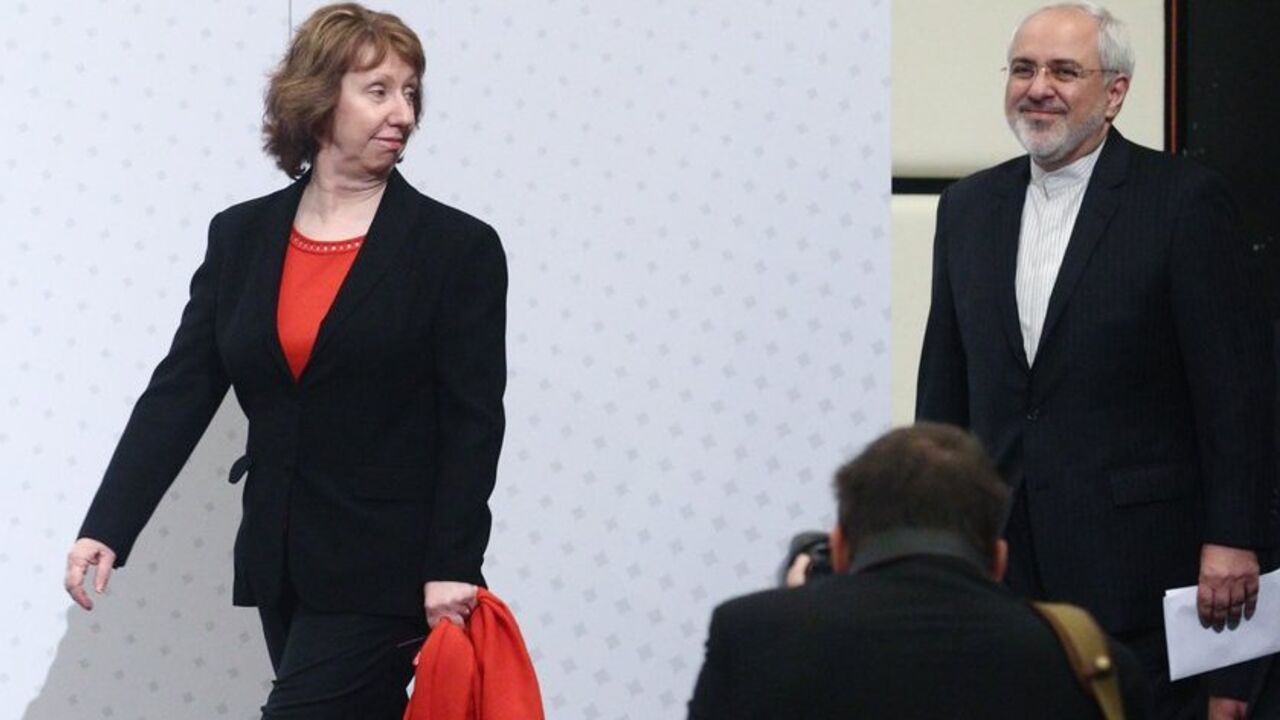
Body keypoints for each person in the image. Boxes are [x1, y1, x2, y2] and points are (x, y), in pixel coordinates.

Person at [61, 4, 507, 717]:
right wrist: (108, 524)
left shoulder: (456, 249)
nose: (404, 112)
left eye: (412, 91)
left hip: (387, 567)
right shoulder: (241, 236)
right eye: (380, 89)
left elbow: (474, 422)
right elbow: (182, 388)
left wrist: (454, 563)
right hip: (281, 558)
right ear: (320, 96)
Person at [915, 2, 1274, 717]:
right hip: (1003, 576)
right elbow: (943, 397)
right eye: (1023, 68)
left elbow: (1236, 394)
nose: (1037, 87)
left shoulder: (1182, 202)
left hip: (1143, 576)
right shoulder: (966, 208)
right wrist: (935, 544)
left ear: (1114, 93)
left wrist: (1235, 539)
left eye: (1063, 70)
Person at [687, 423, 1150, 719]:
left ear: (841, 547)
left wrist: (793, 615)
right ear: (998, 559)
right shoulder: (1092, 663)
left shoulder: (749, 635)